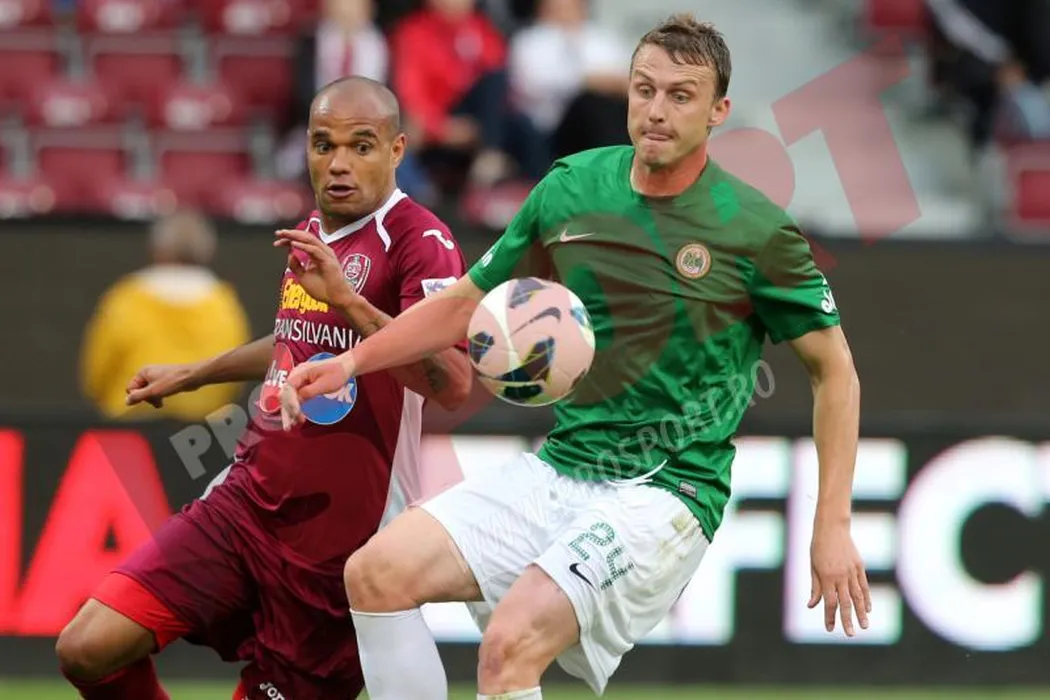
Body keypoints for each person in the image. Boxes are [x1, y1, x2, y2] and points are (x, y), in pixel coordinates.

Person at [280, 15, 872, 699]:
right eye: (644, 89)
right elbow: (465, 301)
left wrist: (832, 527)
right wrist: (352, 363)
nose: (656, 110)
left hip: (665, 491)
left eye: (680, 95)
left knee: (509, 644)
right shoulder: (570, 187)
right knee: (375, 575)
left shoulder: (757, 230)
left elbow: (835, 372)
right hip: (563, 468)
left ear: (719, 111)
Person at [55, 76, 473, 700]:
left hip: (338, 550)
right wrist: (193, 372)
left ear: (396, 150)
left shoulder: (422, 240)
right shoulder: (312, 229)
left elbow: (453, 383)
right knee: (86, 648)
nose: (338, 164)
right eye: (323, 145)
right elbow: (293, 340)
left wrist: (350, 301)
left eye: (360, 146)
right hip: (245, 505)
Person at [79, 209, 251, 422]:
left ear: (157, 249)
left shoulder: (126, 297)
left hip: (131, 422)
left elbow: (98, 369)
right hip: (201, 428)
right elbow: (236, 371)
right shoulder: (223, 303)